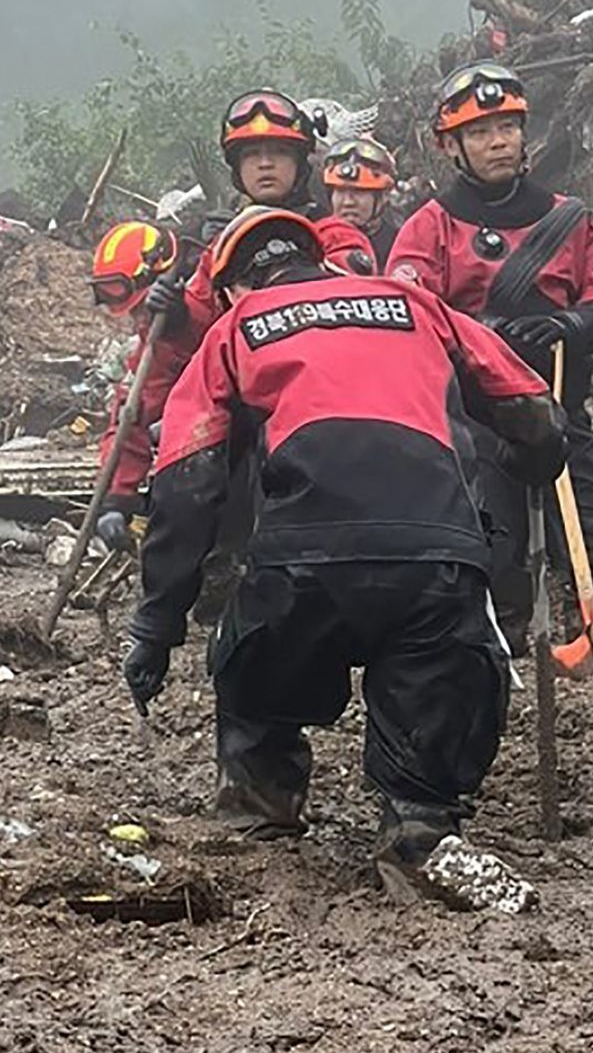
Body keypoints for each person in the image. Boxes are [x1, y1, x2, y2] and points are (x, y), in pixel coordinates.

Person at [122, 207, 566, 883]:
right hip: (436, 556)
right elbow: (532, 409)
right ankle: (420, 826)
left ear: (234, 289)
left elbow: (187, 481)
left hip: (301, 563)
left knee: (252, 660)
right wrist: (535, 458)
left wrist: (156, 625)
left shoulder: (235, 330)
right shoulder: (413, 302)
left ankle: (259, 812)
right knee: (445, 667)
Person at [386, 63, 593, 647]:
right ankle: (501, 638)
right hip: (473, 423)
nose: (497, 141)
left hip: (559, 407)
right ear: (451, 146)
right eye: (479, 132)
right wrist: (482, 336)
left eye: (506, 127)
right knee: (485, 541)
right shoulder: (429, 228)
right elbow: (408, 307)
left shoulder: (570, 219)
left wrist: (567, 324)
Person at [98, 89, 366, 541]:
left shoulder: (337, 239)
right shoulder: (217, 257)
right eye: (253, 155)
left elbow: (354, 307)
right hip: (247, 427)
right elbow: (153, 379)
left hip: (337, 412)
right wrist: (117, 494)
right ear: (236, 168)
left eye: (278, 153)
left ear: (302, 162)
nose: (265, 164)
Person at [89, 218, 183, 553]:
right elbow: (134, 411)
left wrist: (182, 323)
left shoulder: (219, 292)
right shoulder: (155, 341)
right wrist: (116, 499)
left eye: (140, 308)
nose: (136, 318)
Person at [321, 136, 404, 272]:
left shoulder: (400, 246)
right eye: (340, 191)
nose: (348, 202)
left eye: (359, 192)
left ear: (383, 196)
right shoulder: (313, 241)